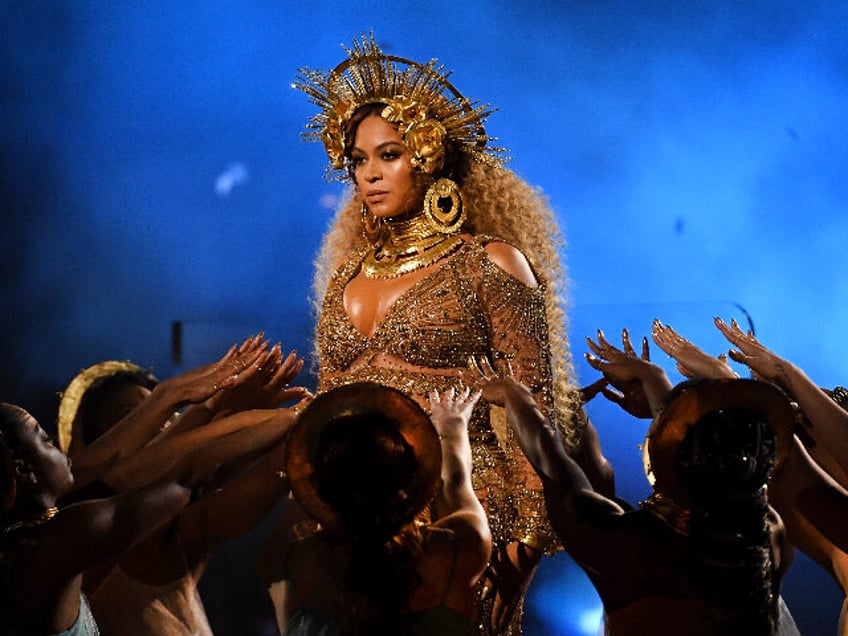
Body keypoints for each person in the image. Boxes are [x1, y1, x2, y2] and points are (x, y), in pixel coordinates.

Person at [293, 32, 612, 634]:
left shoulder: (489, 260)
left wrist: (522, 547)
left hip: (473, 518)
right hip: (358, 526)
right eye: (358, 160)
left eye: (389, 154)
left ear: (429, 156)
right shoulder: (344, 278)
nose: (370, 174)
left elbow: (535, 410)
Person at [470, 354, 802, 636]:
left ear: (669, 461)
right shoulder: (768, 533)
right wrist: (652, 381)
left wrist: (516, 397)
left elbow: (553, 464)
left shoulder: (629, 546)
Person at [55, 343, 309, 635]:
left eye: (161, 417)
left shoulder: (176, 523)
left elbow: (201, 473)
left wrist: (295, 427)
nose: (159, 426)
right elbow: (178, 467)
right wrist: (208, 409)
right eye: (129, 416)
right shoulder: (78, 542)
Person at [0, 401, 275, 635]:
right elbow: (185, 479)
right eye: (45, 439)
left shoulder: (21, 547)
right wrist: (294, 418)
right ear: (24, 471)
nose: (57, 446)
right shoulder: (55, 542)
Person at [272, 382, 491, 635]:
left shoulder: (306, 561)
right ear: (410, 481)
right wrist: (453, 429)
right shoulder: (454, 550)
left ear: (322, 490)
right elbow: (456, 487)